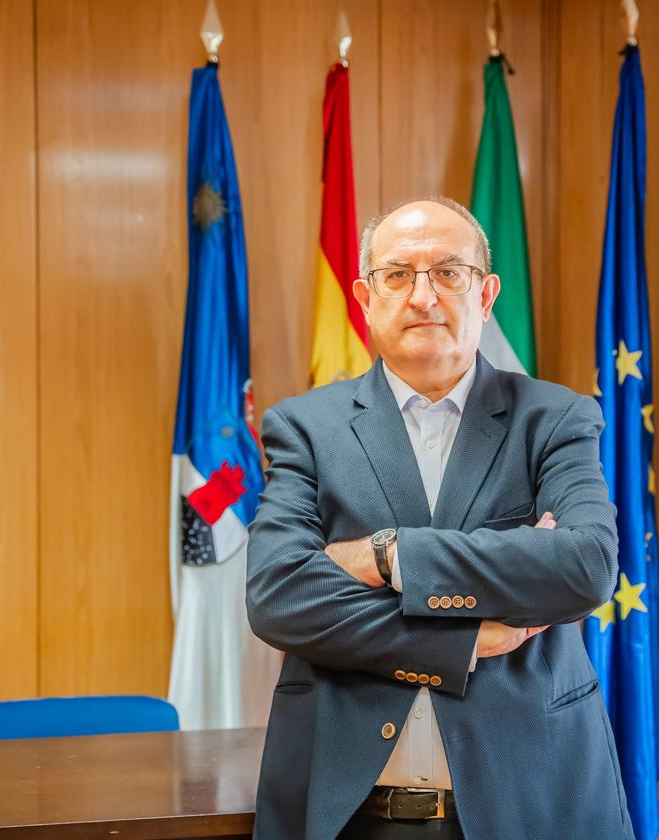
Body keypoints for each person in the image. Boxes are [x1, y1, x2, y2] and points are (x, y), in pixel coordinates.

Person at [246, 197, 634, 840]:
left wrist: (387, 556)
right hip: (348, 812)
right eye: (398, 274)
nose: (423, 296)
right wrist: (460, 637)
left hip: (529, 803)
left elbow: (585, 567)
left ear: (485, 295)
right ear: (366, 298)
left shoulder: (557, 418)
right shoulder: (305, 428)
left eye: (449, 272)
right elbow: (280, 597)